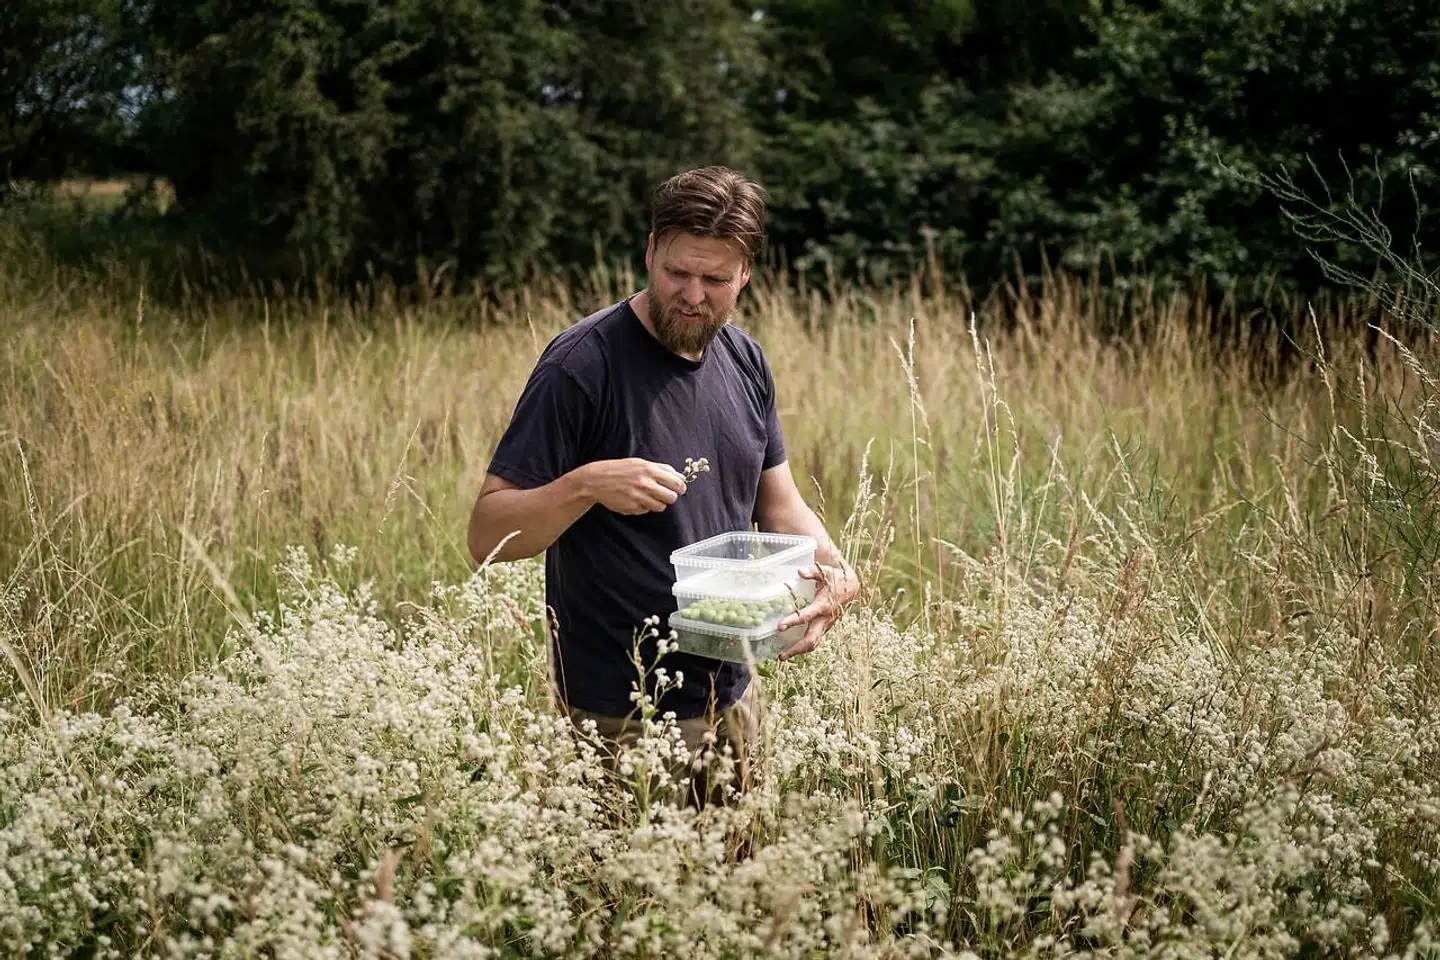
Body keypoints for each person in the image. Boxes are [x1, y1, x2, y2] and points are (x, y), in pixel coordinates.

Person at [466, 165, 860, 806]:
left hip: (734, 691)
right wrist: (587, 484)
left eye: (714, 280)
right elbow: (486, 536)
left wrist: (838, 574)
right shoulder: (581, 365)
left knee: (736, 886)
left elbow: (782, 506)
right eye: (677, 272)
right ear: (649, 252)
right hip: (622, 715)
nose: (693, 295)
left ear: (745, 275)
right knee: (632, 903)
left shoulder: (745, 359)